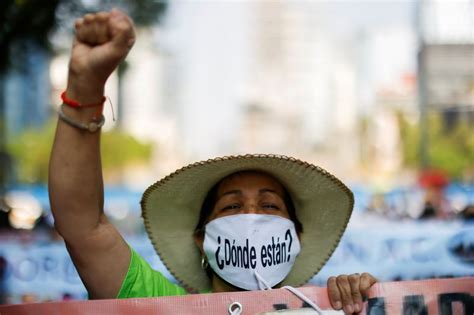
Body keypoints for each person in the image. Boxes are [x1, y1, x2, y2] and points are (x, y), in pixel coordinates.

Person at [48, 9, 377, 314]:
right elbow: (83, 228)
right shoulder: (163, 306)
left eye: (270, 206)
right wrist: (85, 88)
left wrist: (375, 303)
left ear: (297, 238)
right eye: (232, 207)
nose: (252, 218)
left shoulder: (326, 310)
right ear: (201, 238)